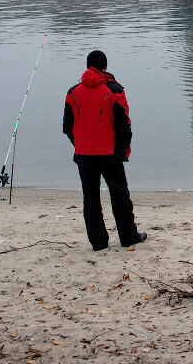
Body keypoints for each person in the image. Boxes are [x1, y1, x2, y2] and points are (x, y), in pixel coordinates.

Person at [63, 50, 147, 250]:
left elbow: (67, 127)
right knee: (120, 196)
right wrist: (123, 151)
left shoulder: (72, 92)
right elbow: (124, 127)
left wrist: (80, 145)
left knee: (90, 199)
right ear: (105, 67)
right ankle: (128, 237)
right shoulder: (114, 90)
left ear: (87, 66)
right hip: (109, 154)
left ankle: (99, 243)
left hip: (84, 155)